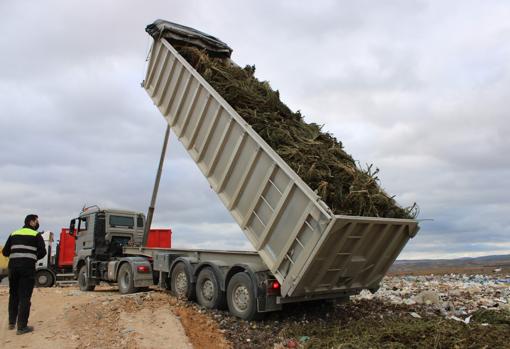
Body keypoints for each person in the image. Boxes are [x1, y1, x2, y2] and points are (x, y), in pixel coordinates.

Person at [2, 214, 46, 335]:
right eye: (37, 221)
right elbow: (43, 251)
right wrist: (33, 257)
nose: (37, 223)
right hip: (27, 268)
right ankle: (21, 327)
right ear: (32, 222)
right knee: (25, 297)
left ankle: (11, 322)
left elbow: (5, 251)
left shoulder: (14, 233)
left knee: (14, 294)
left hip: (13, 268)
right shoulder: (36, 235)